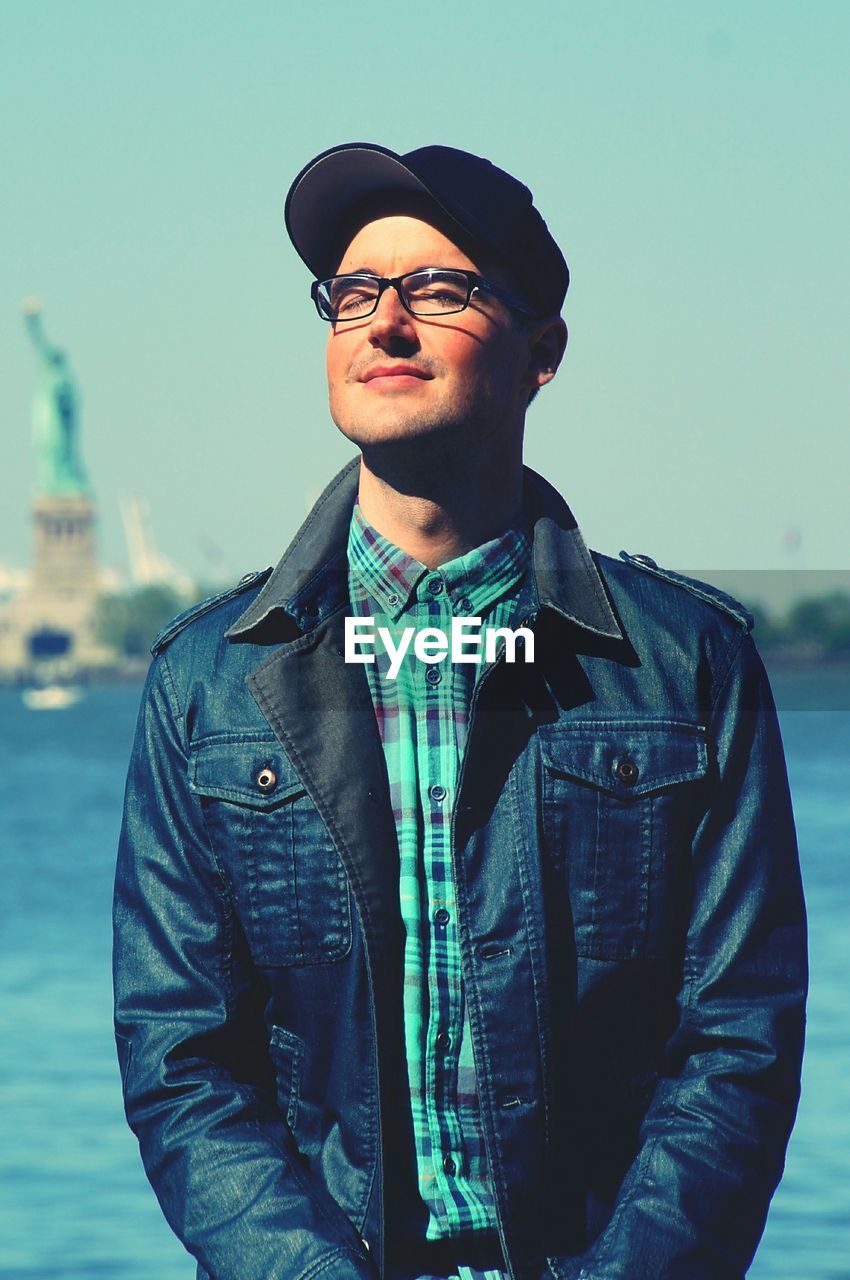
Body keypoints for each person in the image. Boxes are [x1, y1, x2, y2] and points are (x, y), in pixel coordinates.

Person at [113, 143, 807, 1280]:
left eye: (439, 289)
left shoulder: (686, 662)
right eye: (351, 292)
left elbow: (736, 1040)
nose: (384, 321)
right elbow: (181, 1057)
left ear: (543, 351)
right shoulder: (209, 678)